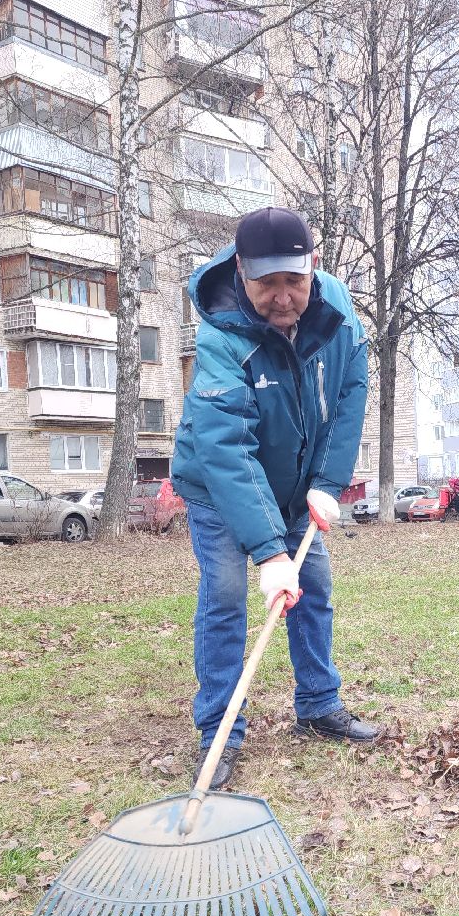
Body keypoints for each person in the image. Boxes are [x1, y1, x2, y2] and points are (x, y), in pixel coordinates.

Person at [171, 206, 378, 791]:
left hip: (295, 486)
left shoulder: (338, 313)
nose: (283, 298)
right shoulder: (220, 333)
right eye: (267, 284)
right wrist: (267, 553)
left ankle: (317, 703)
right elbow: (226, 446)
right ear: (242, 270)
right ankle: (219, 733)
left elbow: (351, 391)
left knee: (313, 590)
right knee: (227, 597)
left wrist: (327, 484)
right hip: (218, 487)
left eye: (295, 281)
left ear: (314, 265)